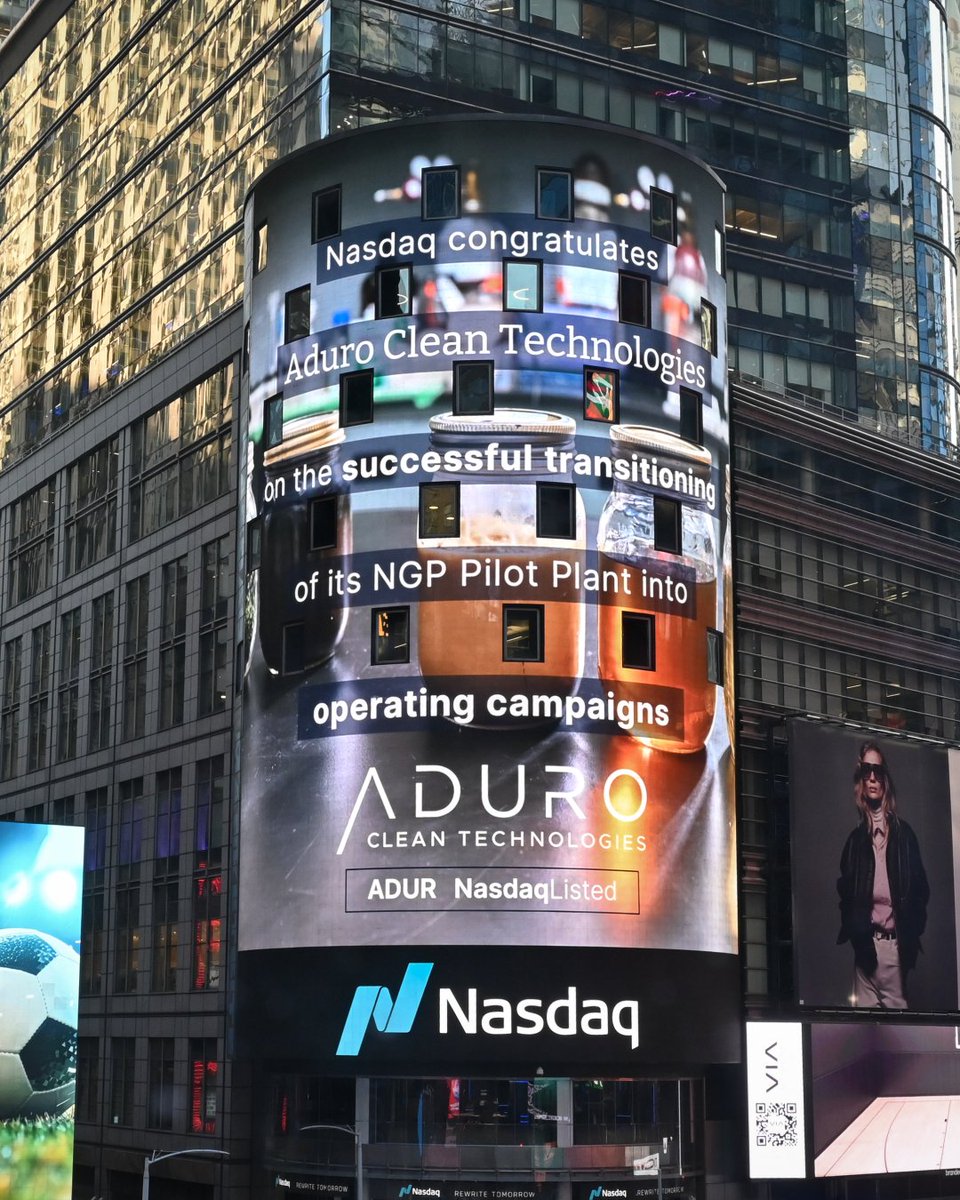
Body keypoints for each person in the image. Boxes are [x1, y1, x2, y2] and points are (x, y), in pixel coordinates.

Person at [837, 742, 929, 1008]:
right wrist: (860, 941)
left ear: (885, 778)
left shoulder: (904, 836)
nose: (873, 777)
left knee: (898, 1033)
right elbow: (846, 896)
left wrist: (907, 940)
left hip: (895, 951)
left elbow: (921, 893)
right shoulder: (855, 841)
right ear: (861, 779)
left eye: (878, 770)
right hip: (865, 950)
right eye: (867, 770)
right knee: (863, 1033)